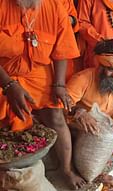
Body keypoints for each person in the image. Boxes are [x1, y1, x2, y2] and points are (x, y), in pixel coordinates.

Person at [0, 0, 84, 188]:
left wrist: (59, 85)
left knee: (55, 115)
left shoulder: (54, 7)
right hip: (3, 73)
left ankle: (66, 170)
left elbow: (62, 50)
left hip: (38, 70)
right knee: (7, 121)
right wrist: (8, 85)